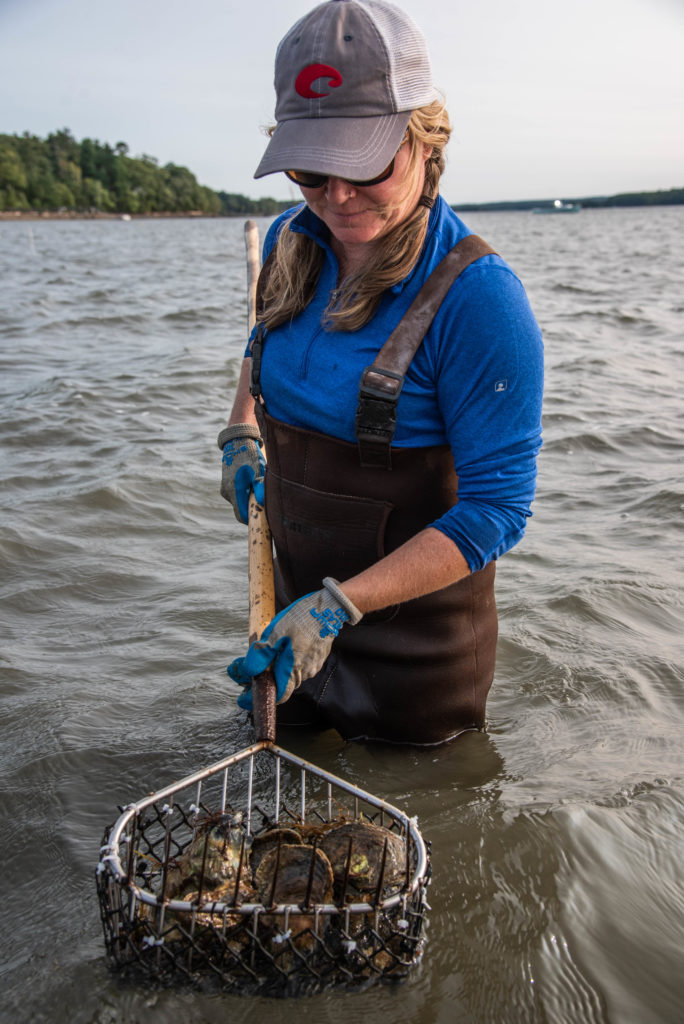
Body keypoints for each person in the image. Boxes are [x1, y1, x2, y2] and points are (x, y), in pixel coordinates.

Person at [219, 0, 543, 746]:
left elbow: (498, 512)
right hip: (290, 621)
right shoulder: (288, 239)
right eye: (311, 168)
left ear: (427, 143)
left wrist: (338, 607)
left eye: (366, 164)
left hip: (416, 659)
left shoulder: (481, 302)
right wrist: (238, 429)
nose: (336, 196)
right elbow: (262, 338)